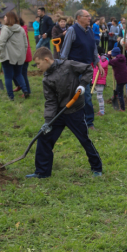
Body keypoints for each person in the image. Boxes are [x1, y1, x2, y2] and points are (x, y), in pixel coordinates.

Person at [28, 47, 103, 178]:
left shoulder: (68, 65)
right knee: (44, 138)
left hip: (75, 111)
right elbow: (50, 102)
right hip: (59, 113)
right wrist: (48, 122)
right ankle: (42, 172)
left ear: (46, 59)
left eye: (39, 64)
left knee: (84, 139)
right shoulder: (46, 79)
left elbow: (88, 69)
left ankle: (97, 167)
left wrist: (83, 84)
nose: (38, 67)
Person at [59, 8, 99, 128]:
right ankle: (71, 119)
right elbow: (64, 51)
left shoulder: (90, 31)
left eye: (89, 16)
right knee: (74, 95)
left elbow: (94, 48)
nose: (89, 18)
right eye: (87, 16)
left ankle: (89, 122)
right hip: (74, 69)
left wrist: (97, 62)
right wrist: (62, 68)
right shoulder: (72, 30)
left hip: (86, 69)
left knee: (86, 95)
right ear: (79, 18)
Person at [0, 11, 29, 100]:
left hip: (7, 56)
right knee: (18, 74)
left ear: (8, 18)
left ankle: (11, 96)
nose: (4, 18)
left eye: (5, 17)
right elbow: (26, 44)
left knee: (8, 76)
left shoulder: (5, 29)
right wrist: (23, 54)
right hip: (19, 56)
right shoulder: (21, 29)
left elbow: (1, 43)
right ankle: (25, 90)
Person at [110, 44, 127, 109]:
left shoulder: (115, 61)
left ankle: (122, 108)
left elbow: (109, 62)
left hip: (120, 79)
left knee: (120, 94)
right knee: (118, 88)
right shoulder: (123, 58)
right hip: (125, 77)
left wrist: (107, 55)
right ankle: (115, 95)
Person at [18, 17, 33, 96]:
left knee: (22, 74)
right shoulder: (23, 29)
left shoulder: (21, 30)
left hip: (24, 54)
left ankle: (27, 90)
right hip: (24, 54)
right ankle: (21, 87)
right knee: (20, 73)